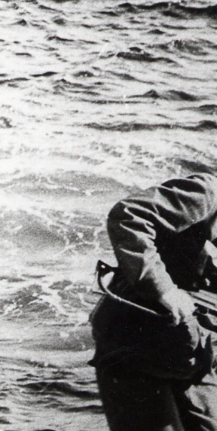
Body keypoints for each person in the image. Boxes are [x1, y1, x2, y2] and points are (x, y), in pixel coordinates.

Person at [91, 172, 217, 430]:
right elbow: (128, 215)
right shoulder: (208, 192)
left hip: (197, 351)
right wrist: (163, 290)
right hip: (137, 342)